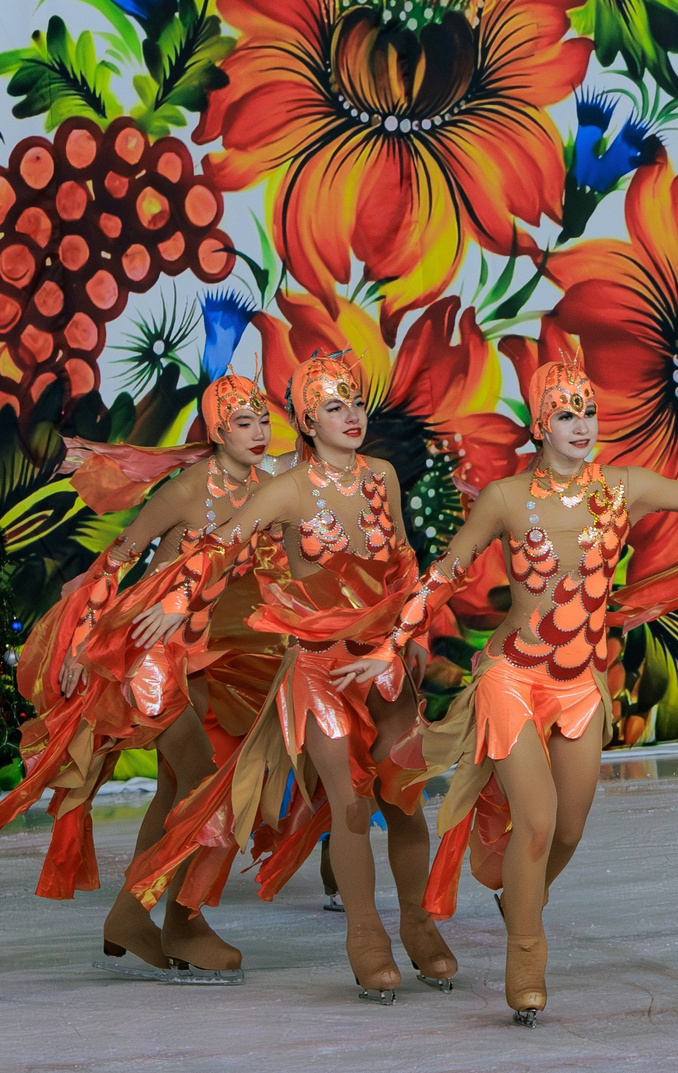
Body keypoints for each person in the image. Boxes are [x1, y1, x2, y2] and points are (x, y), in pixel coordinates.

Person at [380, 360, 678, 1024]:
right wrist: (392, 640)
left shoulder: (624, 487)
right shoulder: (507, 497)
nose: (581, 426)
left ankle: (517, 893)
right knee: (537, 820)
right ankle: (526, 955)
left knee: (567, 828)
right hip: (512, 677)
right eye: (566, 415)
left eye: (589, 413)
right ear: (541, 424)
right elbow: (447, 573)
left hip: (581, 687)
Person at [124, 352, 456, 1003]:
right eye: (334, 406)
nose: (351, 415)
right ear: (305, 419)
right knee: (351, 804)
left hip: (384, 670)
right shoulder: (285, 490)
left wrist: (408, 636)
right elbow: (218, 549)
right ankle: (366, 937)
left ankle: (418, 923)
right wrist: (171, 600)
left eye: (355, 402)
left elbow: (405, 562)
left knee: (408, 801)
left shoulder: (382, 475)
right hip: (322, 674)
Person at [0, 374, 284, 979]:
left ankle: (133, 917)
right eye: (244, 422)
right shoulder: (188, 489)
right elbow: (120, 556)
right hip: (151, 654)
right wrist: (82, 642)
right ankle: (181, 923)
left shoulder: (270, 491)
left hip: (205, 654)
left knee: (177, 788)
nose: (260, 433)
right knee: (204, 784)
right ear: (216, 432)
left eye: (264, 420)